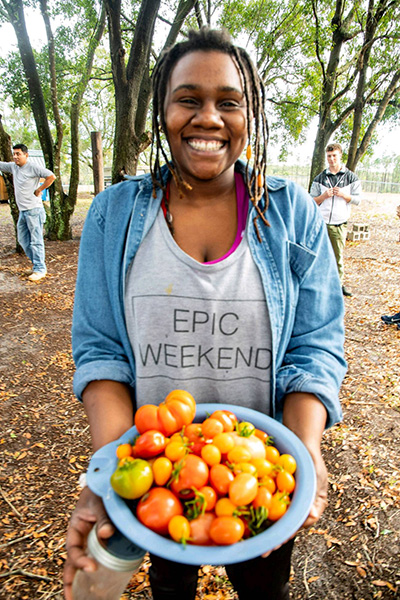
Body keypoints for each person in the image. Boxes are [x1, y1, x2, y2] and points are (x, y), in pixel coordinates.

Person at [64, 28, 347, 600]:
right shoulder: (113, 216)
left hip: (262, 477)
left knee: (265, 587)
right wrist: (112, 470)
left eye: (229, 102)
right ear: (163, 111)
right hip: (160, 478)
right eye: (188, 99)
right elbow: (102, 353)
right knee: (170, 586)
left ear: (252, 114)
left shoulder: (291, 214)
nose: (208, 118)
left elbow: (314, 346)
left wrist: (305, 447)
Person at [310, 143, 362, 297]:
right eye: (329, 156)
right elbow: (311, 200)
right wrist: (324, 196)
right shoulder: (320, 178)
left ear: (340, 156)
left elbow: (358, 200)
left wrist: (344, 196)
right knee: (319, 255)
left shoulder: (351, 177)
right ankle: (319, 284)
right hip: (322, 222)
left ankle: (338, 286)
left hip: (339, 223)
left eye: (334, 156)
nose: (331, 159)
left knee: (337, 256)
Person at [0, 143, 55, 281]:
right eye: (14, 154)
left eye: (18, 154)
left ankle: (40, 269)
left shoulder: (33, 167)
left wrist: (40, 189)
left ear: (26, 155)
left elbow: (51, 176)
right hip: (23, 212)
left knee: (36, 241)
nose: (15, 156)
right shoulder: (13, 167)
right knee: (23, 240)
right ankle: (37, 265)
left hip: (34, 211)